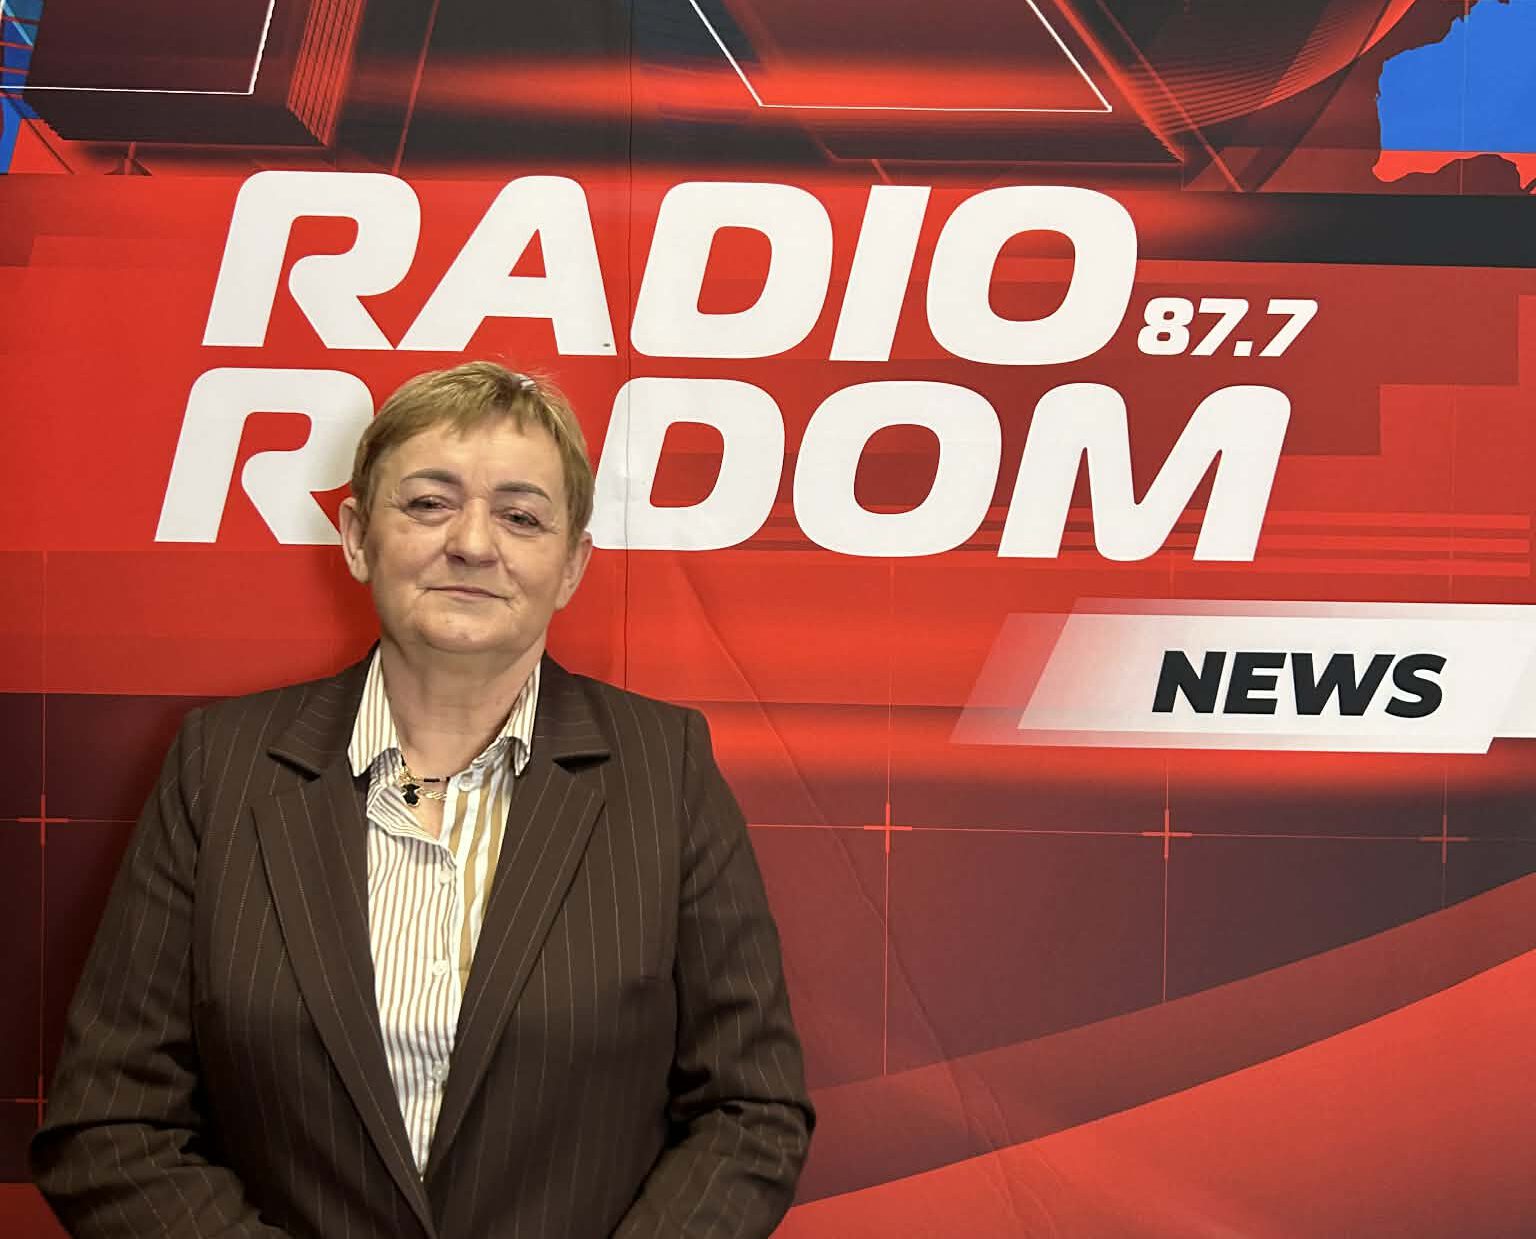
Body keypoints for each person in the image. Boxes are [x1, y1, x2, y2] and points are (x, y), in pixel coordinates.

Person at [31, 362, 813, 1238]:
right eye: (430, 503)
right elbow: (110, 1123)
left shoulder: (664, 770)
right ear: (357, 536)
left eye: (521, 516)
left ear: (572, 566)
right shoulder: (220, 767)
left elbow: (752, 1109)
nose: (473, 542)